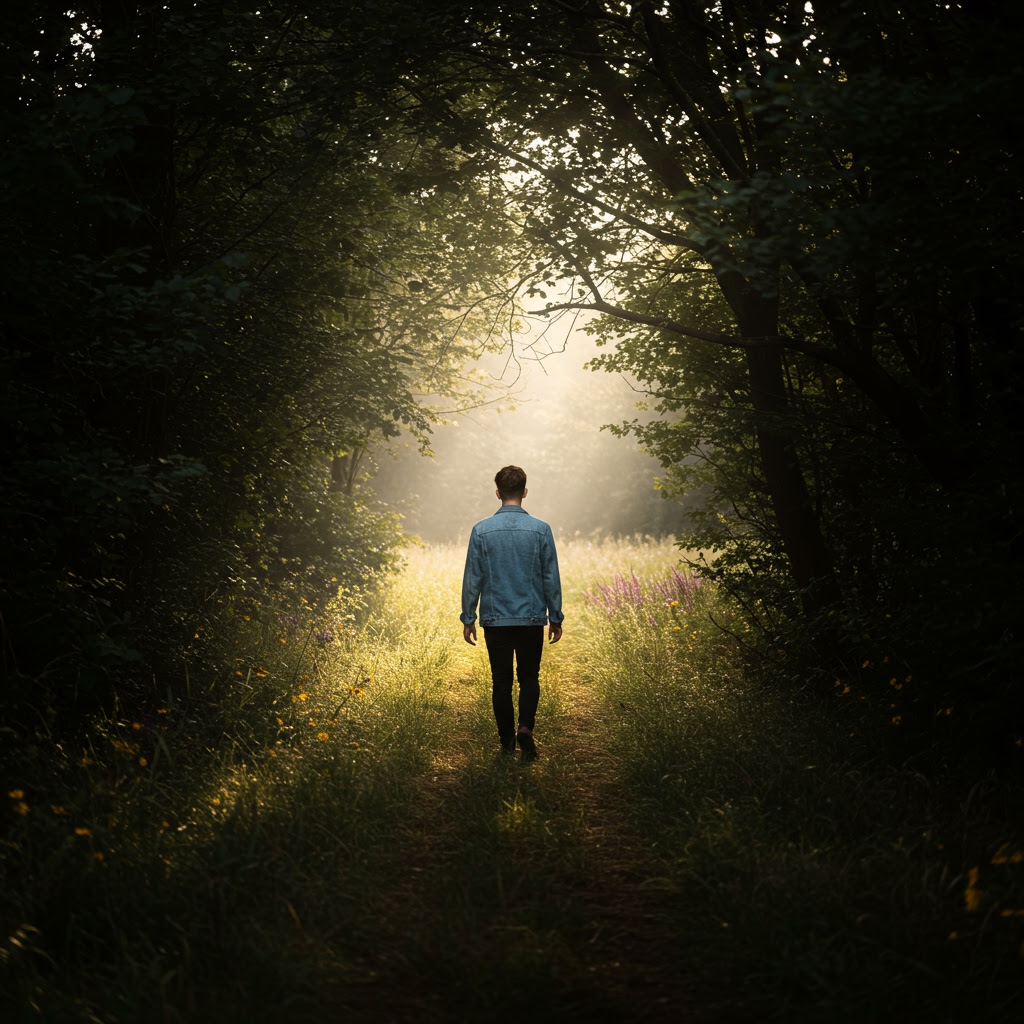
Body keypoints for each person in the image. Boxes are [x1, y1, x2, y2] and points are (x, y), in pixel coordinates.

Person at [460, 465, 563, 759]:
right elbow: (550, 577)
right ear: (525, 492)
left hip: (495, 617)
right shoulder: (541, 530)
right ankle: (526, 728)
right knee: (529, 677)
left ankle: (506, 743)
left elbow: (473, 577)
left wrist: (469, 617)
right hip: (531, 617)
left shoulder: (481, 530)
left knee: (501, 681)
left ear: (497, 493)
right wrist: (555, 615)